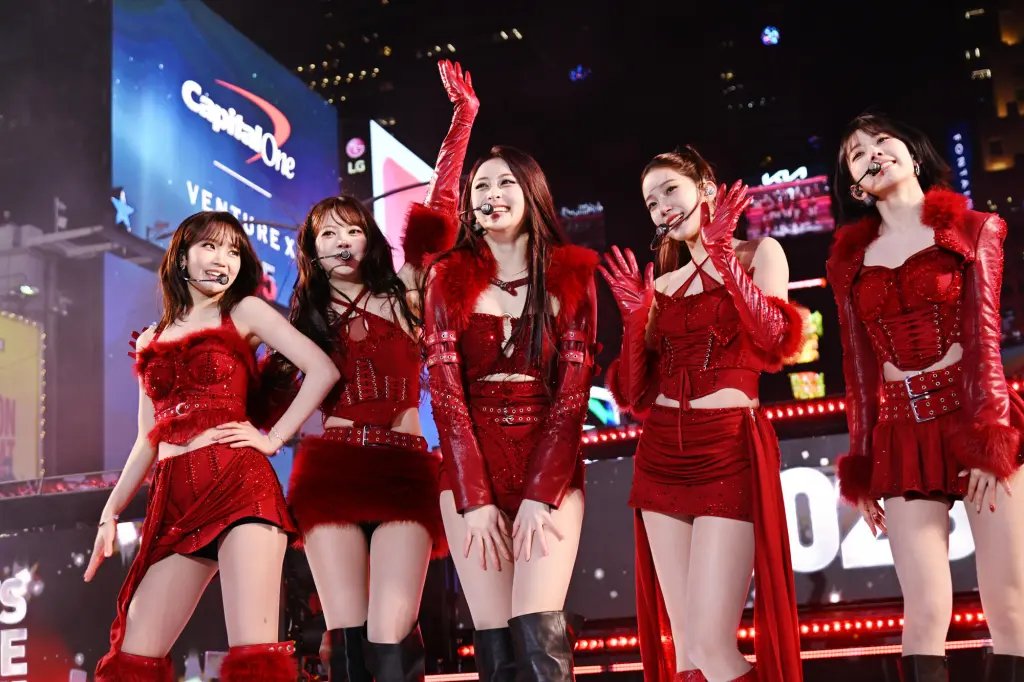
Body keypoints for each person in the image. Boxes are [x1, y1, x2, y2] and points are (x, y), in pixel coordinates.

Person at [258, 58, 477, 682]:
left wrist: (463, 119)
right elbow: (258, 398)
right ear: (311, 249)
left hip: (405, 466)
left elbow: (440, 211)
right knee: (347, 634)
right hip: (331, 471)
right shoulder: (300, 323)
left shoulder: (405, 292)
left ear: (369, 239)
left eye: (351, 230)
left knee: (391, 628)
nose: (341, 241)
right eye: (327, 234)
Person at [85, 211, 339, 681]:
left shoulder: (244, 312)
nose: (223, 260)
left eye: (233, 251)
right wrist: (110, 512)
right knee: (132, 659)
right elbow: (146, 439)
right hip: (174, 501)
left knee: (254, 658)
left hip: (241, 487)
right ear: (182, 258)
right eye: (210, 246)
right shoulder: (150, 339)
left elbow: (322, 369)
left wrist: (272, 439)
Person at [828, 112, 1024, 682]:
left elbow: (984, 338)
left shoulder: (975, 228)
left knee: (1010, 605)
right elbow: (858, 369)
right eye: (856, 153)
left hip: (976, 414)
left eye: (881, 141)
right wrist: (861, 460)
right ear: (855, 185)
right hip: (902, 427)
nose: (872, 153)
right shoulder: (847, 263)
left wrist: (990, 437)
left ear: (912, 154)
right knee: (925, 610)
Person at [600, 146, 805, 682]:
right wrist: (634, 320)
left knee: (712, 645)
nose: (662, 206)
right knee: (687, 653)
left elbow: (774, 341)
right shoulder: (664, 286)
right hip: (661, 456)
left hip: (727, 448)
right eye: (651, 201)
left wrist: (722, 257)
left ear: (707, 189)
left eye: (670, 189)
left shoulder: (761, 253)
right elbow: (635, 394)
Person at [420, 144, 598, 682]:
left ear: (531, 192)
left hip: (549, 464)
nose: (492, 195)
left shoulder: (572, 274)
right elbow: (446, 397)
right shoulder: (446, 276)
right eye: (480, 186)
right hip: (470, 466)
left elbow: (572, 399)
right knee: (496, 646)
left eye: (504, 184)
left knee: (539, 627)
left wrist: (542, 494)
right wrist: (475, 500)